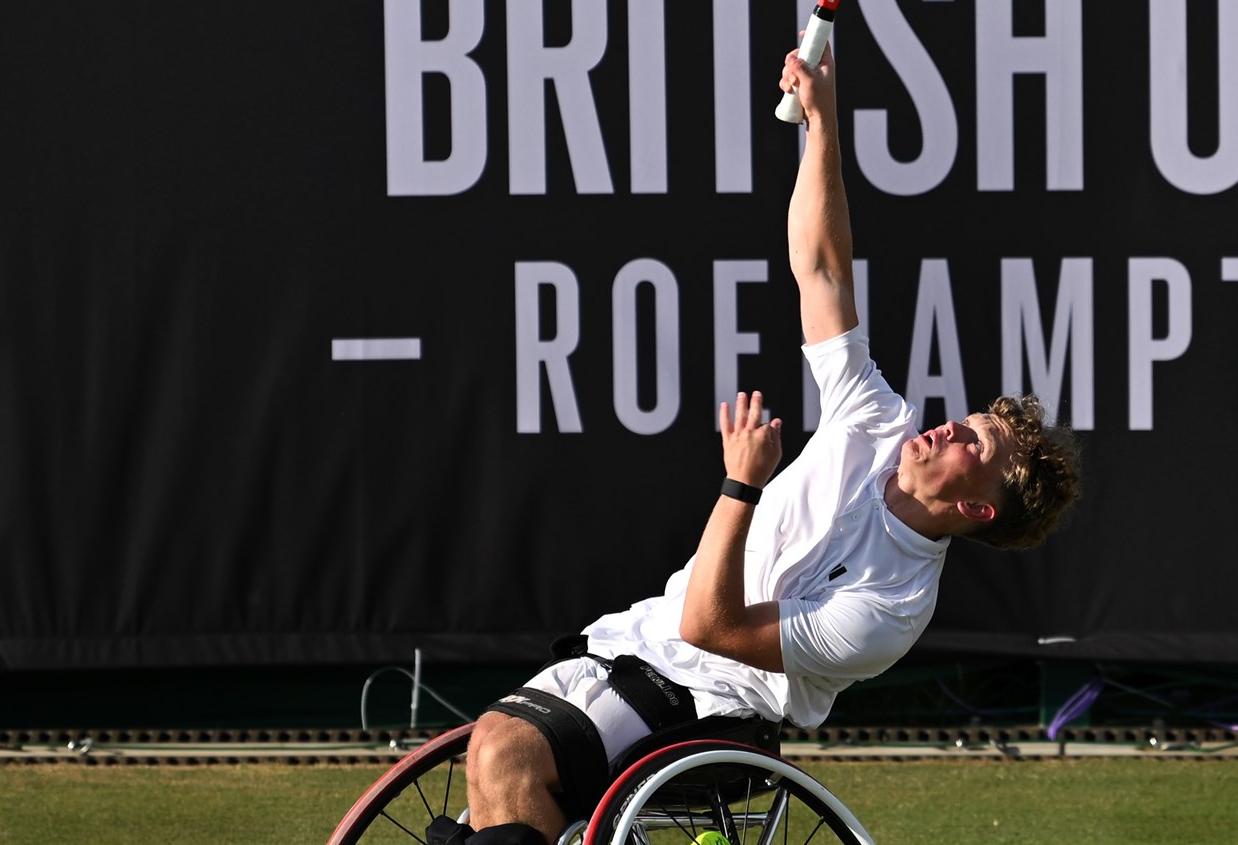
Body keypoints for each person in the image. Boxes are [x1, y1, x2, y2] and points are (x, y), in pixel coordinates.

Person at [454, 46, 1083, 844]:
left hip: (712, 705)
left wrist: (741, 485)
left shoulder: (892, 610)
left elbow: (711, 628)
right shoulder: (875, 419)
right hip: (631, 642)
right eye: (970, 416)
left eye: (976, 441)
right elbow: (821, 270)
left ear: (973, 503)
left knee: (507, 754)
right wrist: (822, 125)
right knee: (490, 765)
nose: (952, 423)